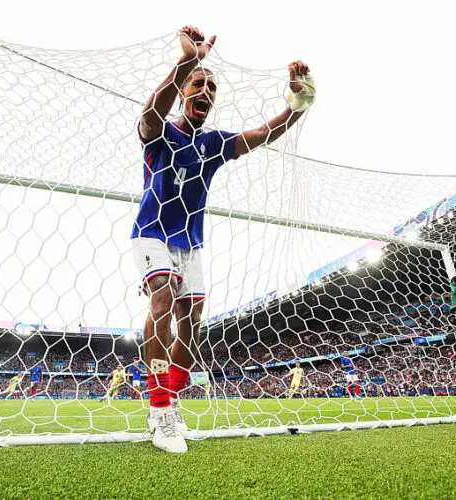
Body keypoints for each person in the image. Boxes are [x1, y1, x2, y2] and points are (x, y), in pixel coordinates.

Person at [132, 25, 314, 453]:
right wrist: (187, 62)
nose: (206, 90)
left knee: (191, 327)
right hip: (151, 233)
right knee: (163, 292)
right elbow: (150, 112)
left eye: (212, 86)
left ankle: (171, 395)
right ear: (182, 91)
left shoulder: (213, 144)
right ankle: (160, 408)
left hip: (190, 243)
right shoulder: (160, 133)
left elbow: (266, 134)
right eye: (199, 83)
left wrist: (299, 100)